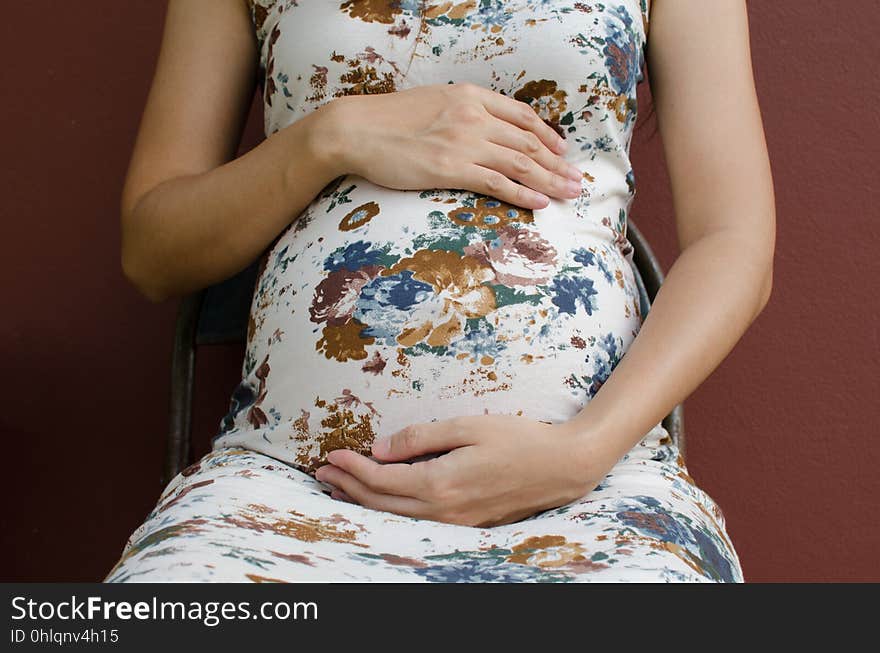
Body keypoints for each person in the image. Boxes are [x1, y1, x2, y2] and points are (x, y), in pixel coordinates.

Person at [106, 0, 775, 582]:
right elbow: (153, 251)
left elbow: (734, 239)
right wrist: (329, 136)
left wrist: (581, 452)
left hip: (592, 491)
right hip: (286, 488)